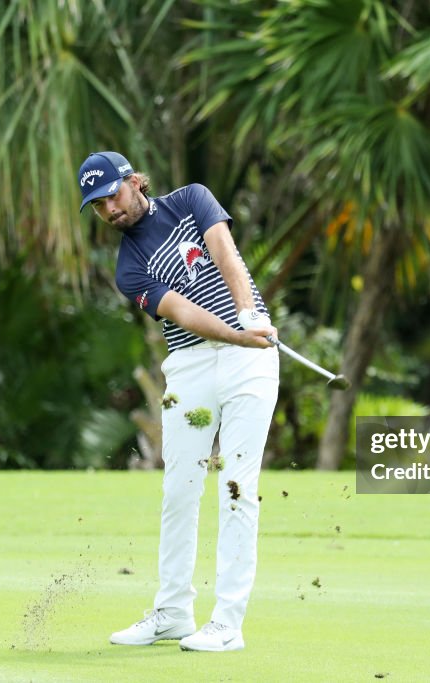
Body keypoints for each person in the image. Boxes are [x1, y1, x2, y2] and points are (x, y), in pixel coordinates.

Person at [76, 151, 279, 652]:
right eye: (98, 206)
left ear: (133, 181)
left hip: (250, 357)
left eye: (112, 196)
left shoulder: (192, 200)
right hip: (192, 364)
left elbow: (225, 253)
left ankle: (227, 622)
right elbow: (181, 312)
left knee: (236, 484)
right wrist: (235, 334)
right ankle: (172, 612)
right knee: (180, 489)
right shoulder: (127, 267)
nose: (109, 211)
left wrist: (249, 316)